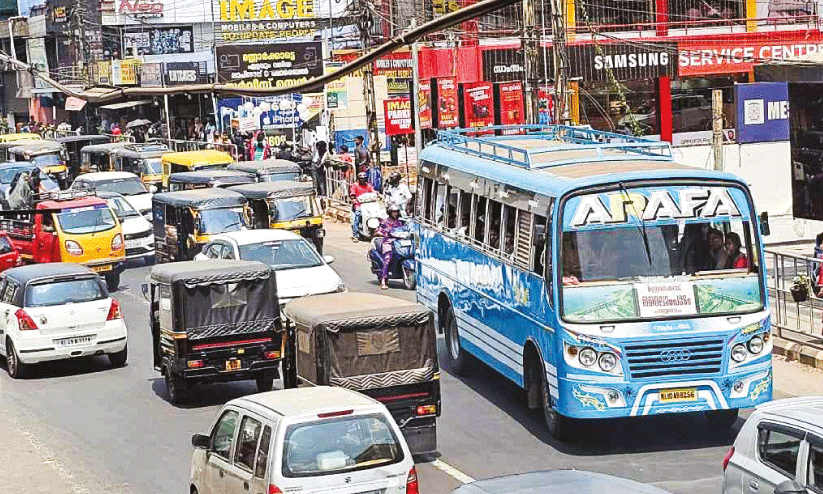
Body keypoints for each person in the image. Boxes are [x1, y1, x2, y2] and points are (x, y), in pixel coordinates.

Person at [374, 205, 404, 289]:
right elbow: (378, 231)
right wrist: (383, 233)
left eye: (396, 211)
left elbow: (404, 230)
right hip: (388, 242)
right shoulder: (385, 222)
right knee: (387, 258)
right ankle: (383, 280)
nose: (395, 213)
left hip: (398, 242)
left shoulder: (400, 222)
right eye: (393, 212)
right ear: (390, 212)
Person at [349, 172, 375, 242]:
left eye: (364, 179)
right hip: (358, 205)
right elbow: (352, 194)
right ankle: (355, 235)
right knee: (357, 215)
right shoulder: (355, 186)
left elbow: (373, 192)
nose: (363, 181)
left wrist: (377, 195)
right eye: (361, 179)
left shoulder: (368, 186)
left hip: (368, 205)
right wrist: (354, 199)